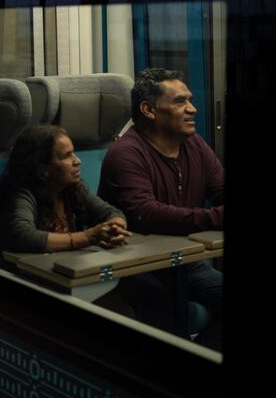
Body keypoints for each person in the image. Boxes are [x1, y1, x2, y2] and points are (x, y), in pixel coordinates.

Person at [97, 67, 223, 346]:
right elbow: (148, 213)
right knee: (163, 305)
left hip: (186, 264)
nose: (193, 109)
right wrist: (215, 218)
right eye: (180, 102)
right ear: (148, 110)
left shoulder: (195, 144)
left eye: (190, 100)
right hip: (134, 267)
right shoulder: (125, 154)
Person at [0, 125, 129, 269]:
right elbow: (23, 235)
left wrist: (115, 229)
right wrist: (87, 237)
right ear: (43, 169)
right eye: (66, 156)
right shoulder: (21, 193)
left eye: (74, 153)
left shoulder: (72, 189)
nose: (77, 160)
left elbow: (111, 213)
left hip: (60, 273)